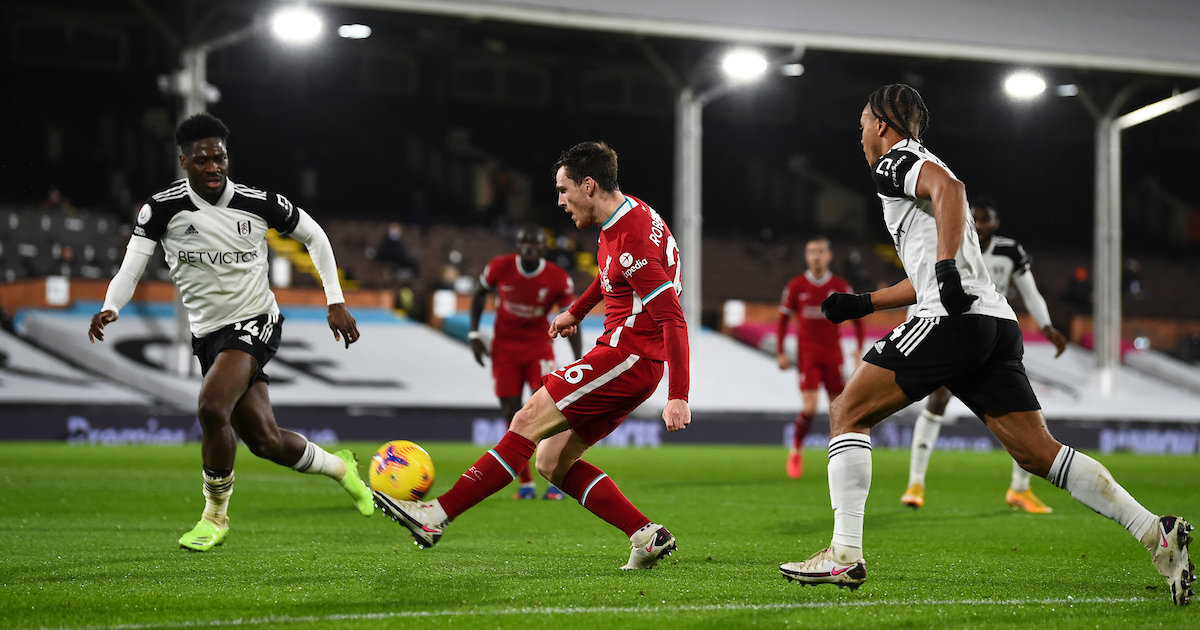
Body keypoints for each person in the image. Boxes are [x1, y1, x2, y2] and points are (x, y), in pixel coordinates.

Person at [779, 84, 1193, 606]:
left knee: (846, 411)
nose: (859, 132)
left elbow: (952, 191)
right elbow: (928, 268)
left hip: (952, 320)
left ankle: (844, 553)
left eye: (863, 121)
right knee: (1041, 454)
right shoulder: (921, 166)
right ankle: (1156, 533)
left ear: (883, 125)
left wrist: (948, 267)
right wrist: (865, 302)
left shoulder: (894, 161)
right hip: (993, 322)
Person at [374, 141, 691, 570]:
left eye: (563, 191)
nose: (559, 201)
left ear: (589, 185)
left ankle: (435, 516)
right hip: (633, 360)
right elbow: (610, 274)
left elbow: (673, 318)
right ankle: (646, 535)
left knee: (525, 421)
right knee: (551, 460)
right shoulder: (629, 213)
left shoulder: (630, 238)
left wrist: (679, 395)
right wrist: (575, 311)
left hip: (627, 355)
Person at [87, 113, 372, 552]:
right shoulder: (161, 210)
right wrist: (110, 305)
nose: (213, 167)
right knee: (265, 441)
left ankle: (213, 516)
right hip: (208, 336)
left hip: (256, 320)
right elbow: (131, 266)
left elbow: (314, 236)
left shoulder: (258, 203)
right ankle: (341, 469)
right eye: (202, 160)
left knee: (211, 404)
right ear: (184, 162)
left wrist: (335, 301)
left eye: (219, 158)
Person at [901, 197, 1069, 513]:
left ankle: (1020, 489)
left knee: (1023, 412)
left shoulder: (1009, 251)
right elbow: (921, 286)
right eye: (972, 219)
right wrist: (913, 324)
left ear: (995, 223)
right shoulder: (947, 242)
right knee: (937, 400)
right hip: (953, 333)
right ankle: (916, 482)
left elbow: (1030, 291)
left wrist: (1047, 326)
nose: (977, 225)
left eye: (983, 220)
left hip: (994, 336)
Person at [469, 224, 583, 499]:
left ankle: (556, 479)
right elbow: (479, 293)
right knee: (511, 410)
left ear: (543, 248)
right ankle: (526, 483)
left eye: (535, 244)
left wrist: (580, 359)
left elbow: (570, 316)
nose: (529, 249)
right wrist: (474, 333)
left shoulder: (557, 278)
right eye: (524, 243)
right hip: (504, 350)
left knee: (546, 411)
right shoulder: (500, 267)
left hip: (538, 348)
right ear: (517, 246)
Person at [777, 236, 864, 478]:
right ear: (806, 256)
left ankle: (838, 457)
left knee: (838, 410)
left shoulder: (839, 285)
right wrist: (781, 351)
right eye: (811, 251)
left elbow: (858, 319)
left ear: (829, 256)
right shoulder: (796, 286)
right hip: (809, 356)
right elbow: (783, 320)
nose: (816, 256)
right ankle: (795, 449)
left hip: (833, 356)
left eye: (820, 251)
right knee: (810, 408)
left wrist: (857, 348)